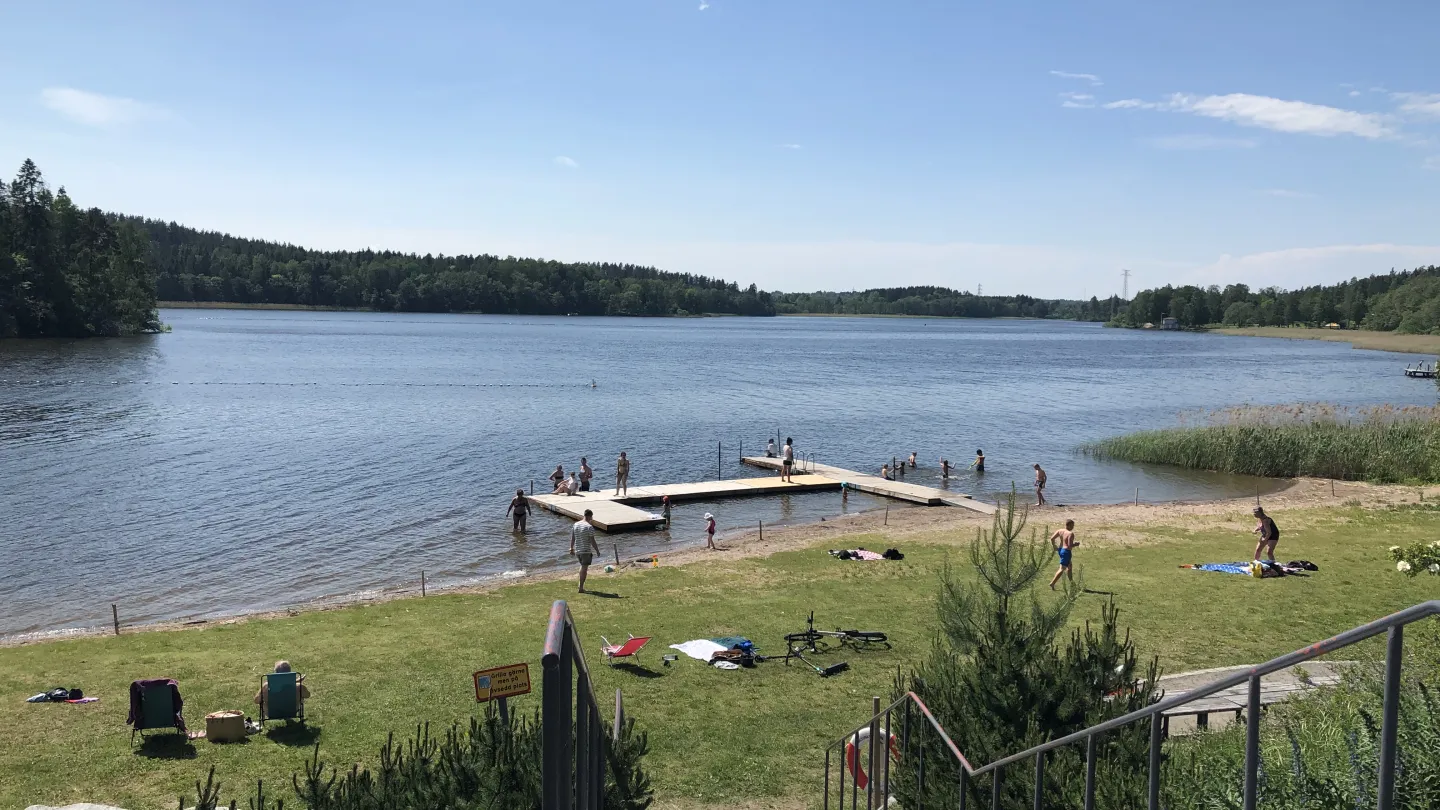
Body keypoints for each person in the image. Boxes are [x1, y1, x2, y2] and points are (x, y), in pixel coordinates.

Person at [570, 509, 600, 593]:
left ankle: (580, 585)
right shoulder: (589, 527)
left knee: (582, 566)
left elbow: (573, 538)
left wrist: (571, 548)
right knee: (584, 568)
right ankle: (581, 587)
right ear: (590, 516)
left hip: (578, 551)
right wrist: (597, 550)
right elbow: (592, 541)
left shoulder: (575, 524)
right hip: (586, 551)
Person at [1049, 520, 1078, 590]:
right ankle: (1052, 583)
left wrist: (1054, 546)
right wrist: (1076, 544)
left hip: (1060, 550)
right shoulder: (1070, 534)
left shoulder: (1060, 531)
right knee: (1062, 569)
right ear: (1068, 525)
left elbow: (1052, 538)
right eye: (1072, 526)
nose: (1073, 527)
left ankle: (1072, 583)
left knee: (1069, 566)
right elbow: (1069, 545)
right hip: (1066, 552)